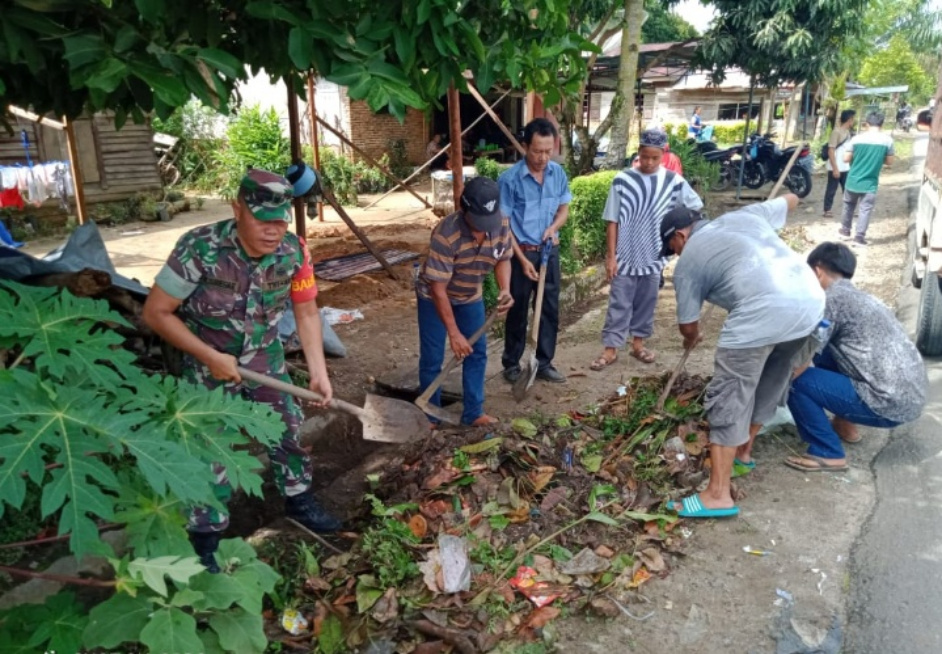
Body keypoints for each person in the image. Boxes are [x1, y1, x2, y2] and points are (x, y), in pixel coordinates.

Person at [142, 169, 340, 573]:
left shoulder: (294, 251)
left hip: (264, 358)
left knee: (287, 429)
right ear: (237, 209)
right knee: (209, 452)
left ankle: (299, 501)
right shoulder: (200, 249)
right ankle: (206, 539)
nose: (273, 230)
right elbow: (157, 313)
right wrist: (209, 356)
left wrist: (319, 371)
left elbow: (305, 311)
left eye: (281, 220)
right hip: (207, 365)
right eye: (262, 220)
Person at [659, 195, 825, 518]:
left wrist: (693, 339)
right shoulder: (746, 215)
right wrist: (787, 199)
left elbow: (688, 326)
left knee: (730, 395)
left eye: (672, 248)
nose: (674, 255)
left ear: (680, 235)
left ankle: (718, 494)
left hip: (764, 310)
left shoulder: (689, 261)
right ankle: (744, 453)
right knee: (772, 378)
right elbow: (791, 199)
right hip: (810, 302)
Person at [785, 243, 927, 472]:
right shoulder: (858, 297)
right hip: (910, 397)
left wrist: (768, 387)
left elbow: (800, 360)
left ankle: (827, 452)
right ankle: (845, 426)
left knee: (794, 382)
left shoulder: (830, 300)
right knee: (827, 354)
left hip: (888, 403)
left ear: (817, 271)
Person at [591, 128, 702, 371]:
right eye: (644, 156)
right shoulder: (622, 180)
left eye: (655, 157)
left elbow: (695, 208)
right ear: (638, 152)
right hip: (625, 255)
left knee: (646, 302)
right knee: (619, 302)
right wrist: (611, 257)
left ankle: (638, 344)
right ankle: (611, 349)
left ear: (663, 154)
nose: (649, 162)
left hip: (654, 255)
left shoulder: (674, 182)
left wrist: (680, 234)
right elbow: (612, 220)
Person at [416, 177, 513, 425]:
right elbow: (438, 289)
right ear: (464, 209)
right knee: (433, 359)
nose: (483, 229)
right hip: (434, 298)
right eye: (478, 222)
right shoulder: (446, 234)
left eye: (487, 223)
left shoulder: (501, 223)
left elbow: (503, 258)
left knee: (477, 353)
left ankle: (473, 413)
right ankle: (430, 418)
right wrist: (454, 333)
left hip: (470, 295)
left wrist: (505, 289)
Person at [499, 118, 572, 385]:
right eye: (537, 151)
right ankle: (511, 363)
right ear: (525, 146)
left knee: (549, 309)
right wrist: (521, 258)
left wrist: (554, 227)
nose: (543, 157)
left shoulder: (558, 174)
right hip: (521, 254)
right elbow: (504, 226)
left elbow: (564, 208)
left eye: (548, 151)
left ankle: (544, 363)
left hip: (549, 251)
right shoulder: (509, 180)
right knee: (517, 310)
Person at [839, 111, 895, 246]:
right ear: (882, 124)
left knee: (848, 205)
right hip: (870, 183)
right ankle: (859, 238)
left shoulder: (856, 139)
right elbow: (889, 162)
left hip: (853, 180)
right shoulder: (887, 141)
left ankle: (845, 232)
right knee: (865, 209)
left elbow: (846, 159)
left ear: (866, 124)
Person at [822, 109, 856, 218]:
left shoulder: (848, 133)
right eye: (853, 119)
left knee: (847, 188)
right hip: (836, 165)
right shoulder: (836, 132)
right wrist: (835, 168)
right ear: (849, 120)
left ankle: (850, 209)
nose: (853, 121)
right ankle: (827, 209)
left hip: (845, 166)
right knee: (832, 188)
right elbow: (831, 150)